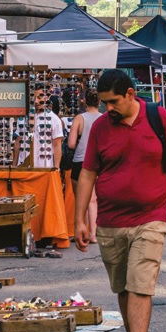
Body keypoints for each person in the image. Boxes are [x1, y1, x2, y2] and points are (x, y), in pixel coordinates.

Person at [74, 69, 166, 332]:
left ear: (129, 94)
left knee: (141, 283)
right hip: (110, 221)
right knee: (123, 288)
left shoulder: (159, 117)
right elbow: (87, 174)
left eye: (112, 102)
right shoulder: (100, 128)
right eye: (103, 102)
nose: (107, 108)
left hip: (151, 216)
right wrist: (80, 219)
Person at [68, 89, 101, 244]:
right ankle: (94, 234)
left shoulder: (79, 119)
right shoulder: (104, 119)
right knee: (93, 199)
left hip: (80, 161)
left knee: (81, 199)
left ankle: (83, 232)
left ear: (84, 102)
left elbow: (71, 143)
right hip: (98, 161)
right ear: (99, 102)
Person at [13, 86, 63, 168]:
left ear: (46, 98)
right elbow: (18, 141)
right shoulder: (23, 117)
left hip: (44, 168)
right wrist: (14, 166)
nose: (36, 101)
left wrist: (56, 169)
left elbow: (57, 145)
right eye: (33, 97)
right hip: (23, 167)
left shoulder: (54, 119)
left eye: (39, 97)